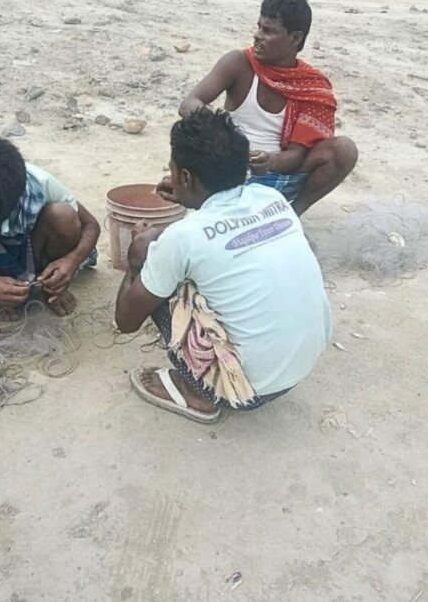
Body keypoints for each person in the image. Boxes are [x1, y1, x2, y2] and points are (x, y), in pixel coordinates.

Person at [115, 109, 331, 423]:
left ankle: (199, 394)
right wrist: (191, 197)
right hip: (300, 369)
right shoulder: (270, 198)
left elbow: (125, 321)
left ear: (185, 177)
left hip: (247, 392)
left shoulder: (182, 238)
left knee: (159, 267)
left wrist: (138, 259)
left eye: (174, 170)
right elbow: (219, 228)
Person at [178, 0, 358, 217]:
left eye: (268, 31)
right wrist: (227, 138)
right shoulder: (239, 63)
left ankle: (292, 216)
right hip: (227, 168)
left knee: (344, 149)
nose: (257, 36)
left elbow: (295, 155)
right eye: (259, 27)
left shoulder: (311, 87)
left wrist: (269, 162)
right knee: (187, 132)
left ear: (295, 38)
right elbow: (188, 104)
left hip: (278, 174)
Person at [0, 135, 99, 316]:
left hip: (31, 244)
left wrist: (71, 261)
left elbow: (91, 225)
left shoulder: (38, 182)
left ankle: (49, 284)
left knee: (63, 216)